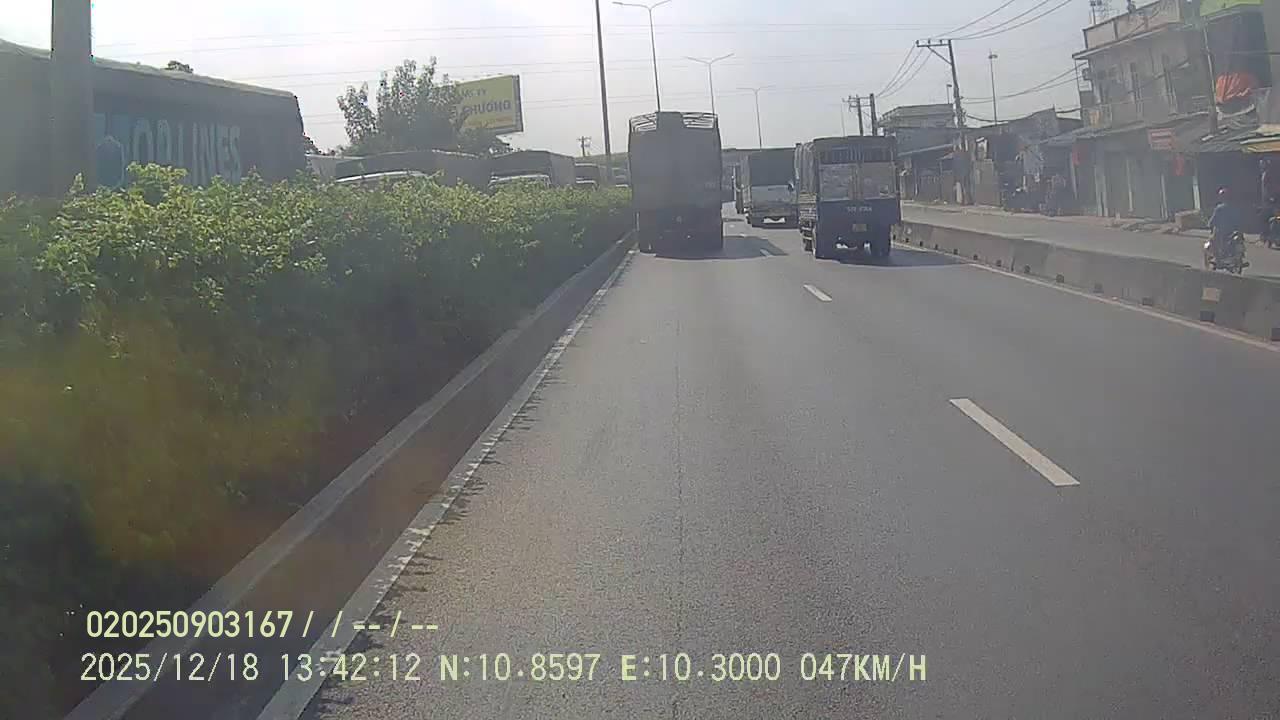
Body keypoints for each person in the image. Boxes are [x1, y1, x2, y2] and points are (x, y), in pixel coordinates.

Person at [1208, 187, 1243, 261]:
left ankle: (1217, 258)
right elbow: (1238, 218)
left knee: (1212, 240)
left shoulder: (1219, 208)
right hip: (1232, 230)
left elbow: (1213, 219)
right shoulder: (1234, 207)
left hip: (1222, 231)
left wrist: (1210, 224)